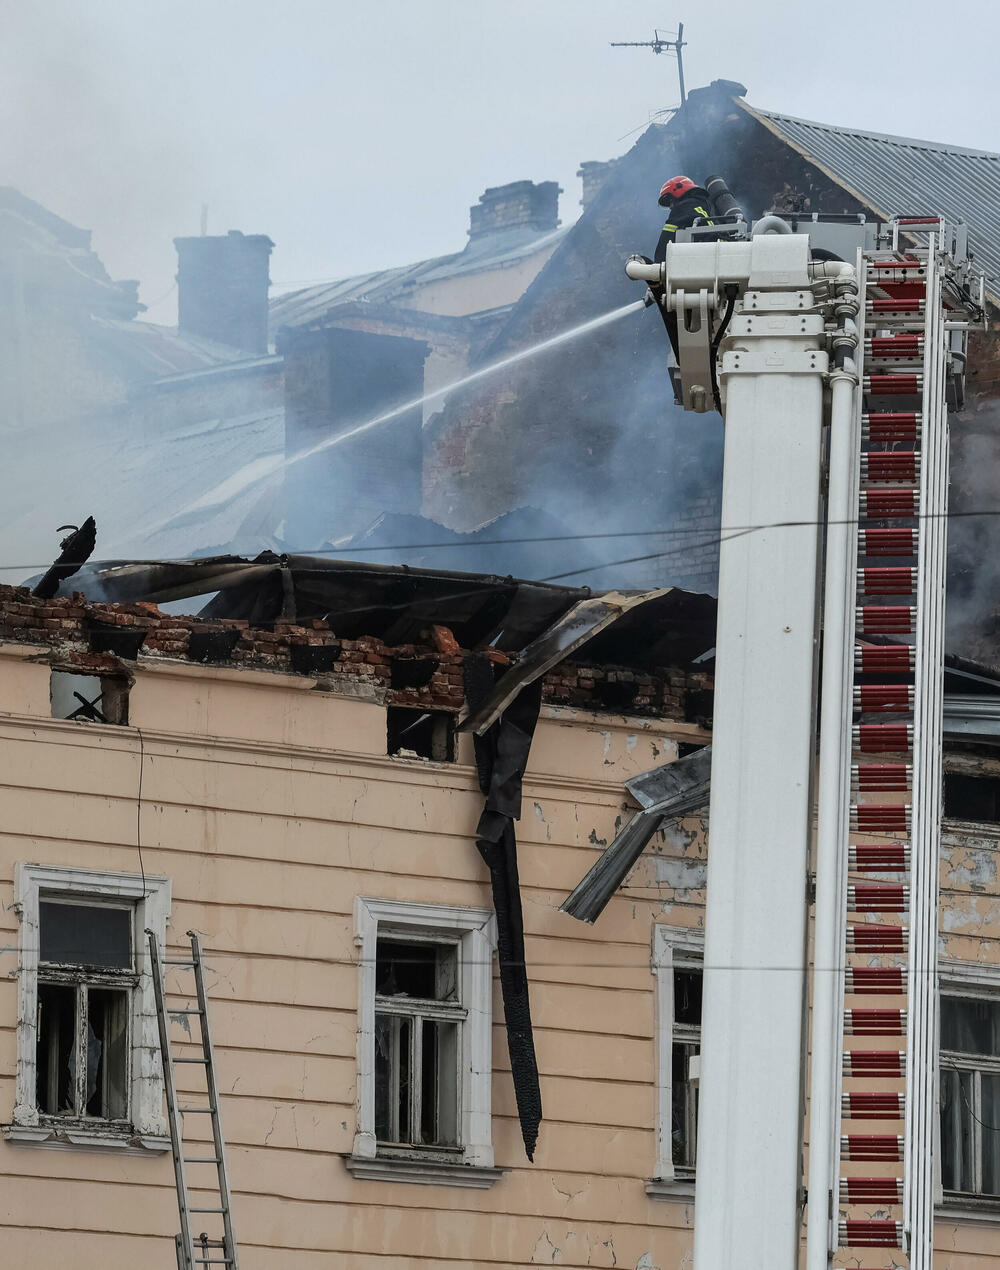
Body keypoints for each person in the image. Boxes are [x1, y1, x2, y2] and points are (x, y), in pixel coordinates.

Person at [654, 176, 715, 262]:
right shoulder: (707, 205)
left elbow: (666, 240)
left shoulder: (682, 207)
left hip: (698, 259)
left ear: (678, 189)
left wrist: (658, 265)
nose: (671, 206)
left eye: (671, 201)